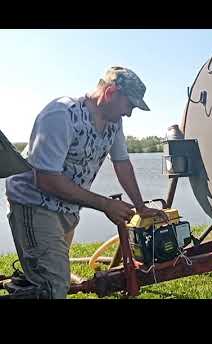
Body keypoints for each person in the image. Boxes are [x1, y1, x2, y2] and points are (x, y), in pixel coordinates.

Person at [5, 66, 166, 299]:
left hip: (67, 208)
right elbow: (46, 179)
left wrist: (140, 206)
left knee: (47, 273)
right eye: (129, 105)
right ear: (110, 92)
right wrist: (105, 205)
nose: (129, 114)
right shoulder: (62, 114)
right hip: (34, 204)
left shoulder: (114, 123)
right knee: (54, 287)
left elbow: (122, 163)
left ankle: (26, 280)